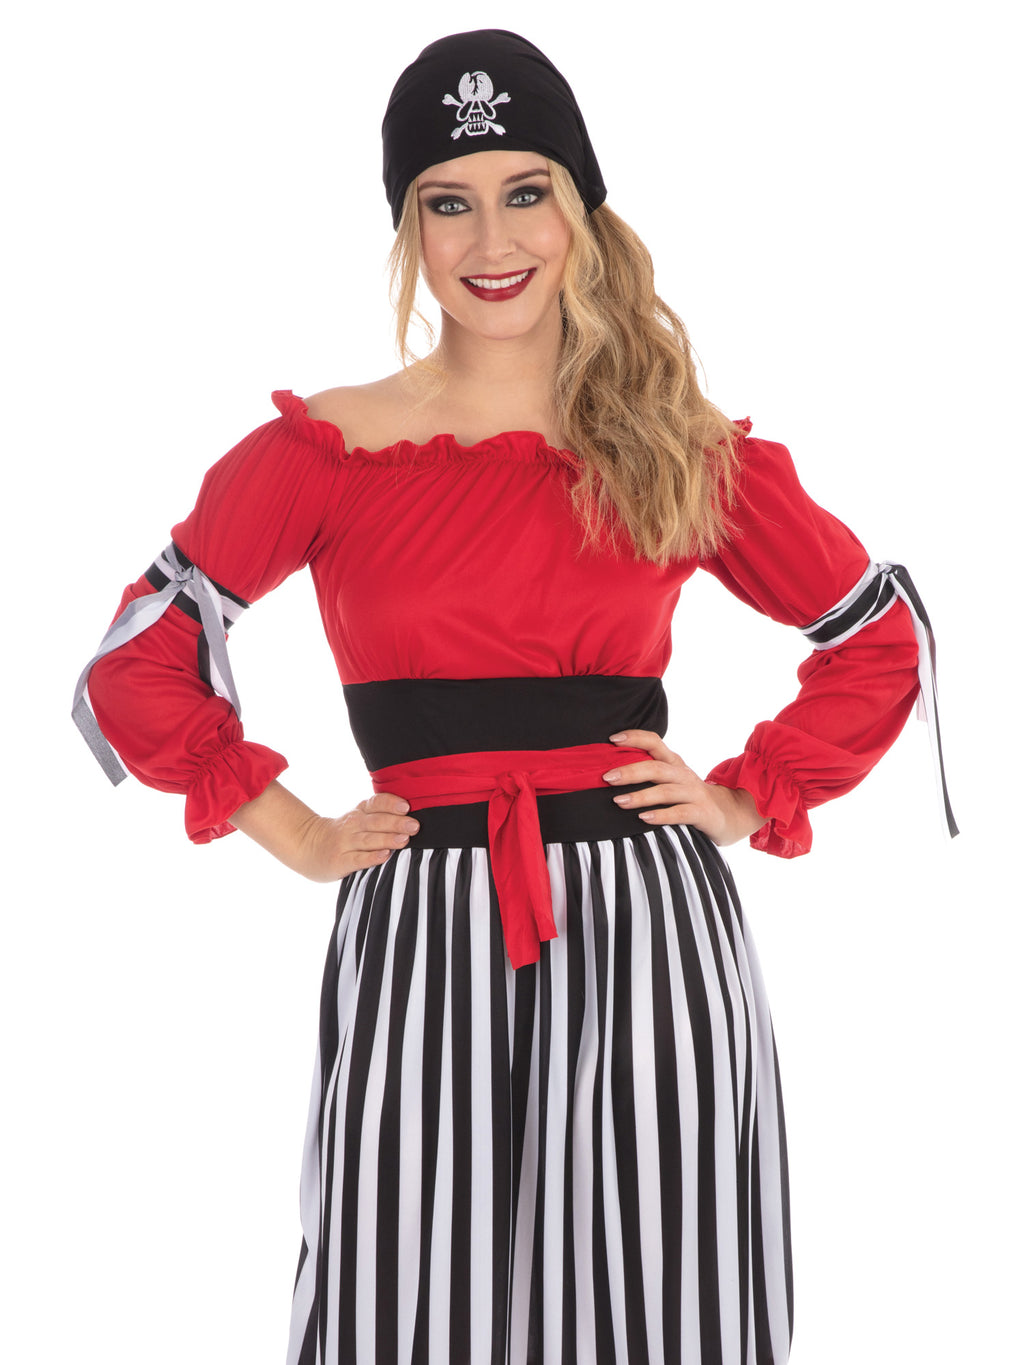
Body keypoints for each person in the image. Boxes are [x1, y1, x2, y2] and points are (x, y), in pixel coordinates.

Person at [72, 28, 955, 1365]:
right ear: (408, 230)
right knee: (406, 1296)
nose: (492, 239)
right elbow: (140, 653)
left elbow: (880, 636)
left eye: (526, 191)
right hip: (422, 910)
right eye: (449, 202)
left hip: (647, 921)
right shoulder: (328, 450)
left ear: (580, 208)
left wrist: (746, 795)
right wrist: (294, 828)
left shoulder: (670, 444)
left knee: (666, 1297)